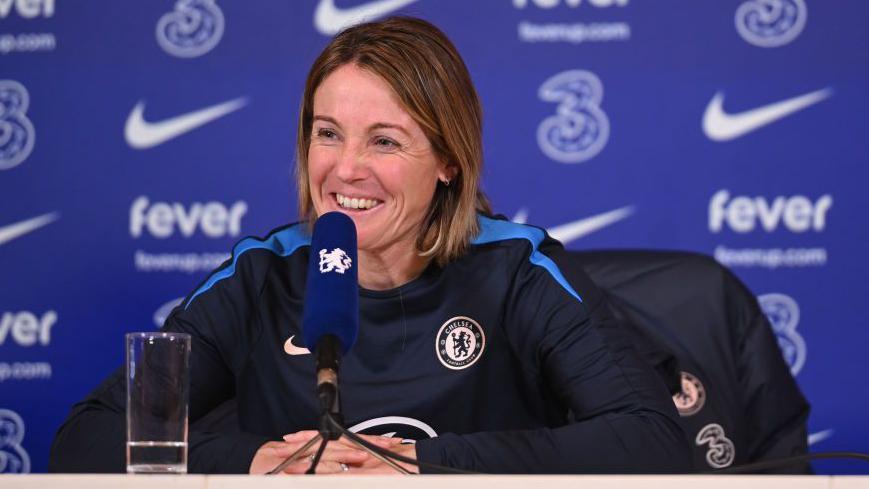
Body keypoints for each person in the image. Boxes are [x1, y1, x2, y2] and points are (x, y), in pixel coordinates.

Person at [49, 16, 691, 474]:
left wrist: (423, 462)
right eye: (328, 134)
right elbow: (87, 440)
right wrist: (257, 459)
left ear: (448, 160)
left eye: (384, 141)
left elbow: (653, 440)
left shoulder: (520, 270)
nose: (346, 169)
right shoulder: (262, 275)